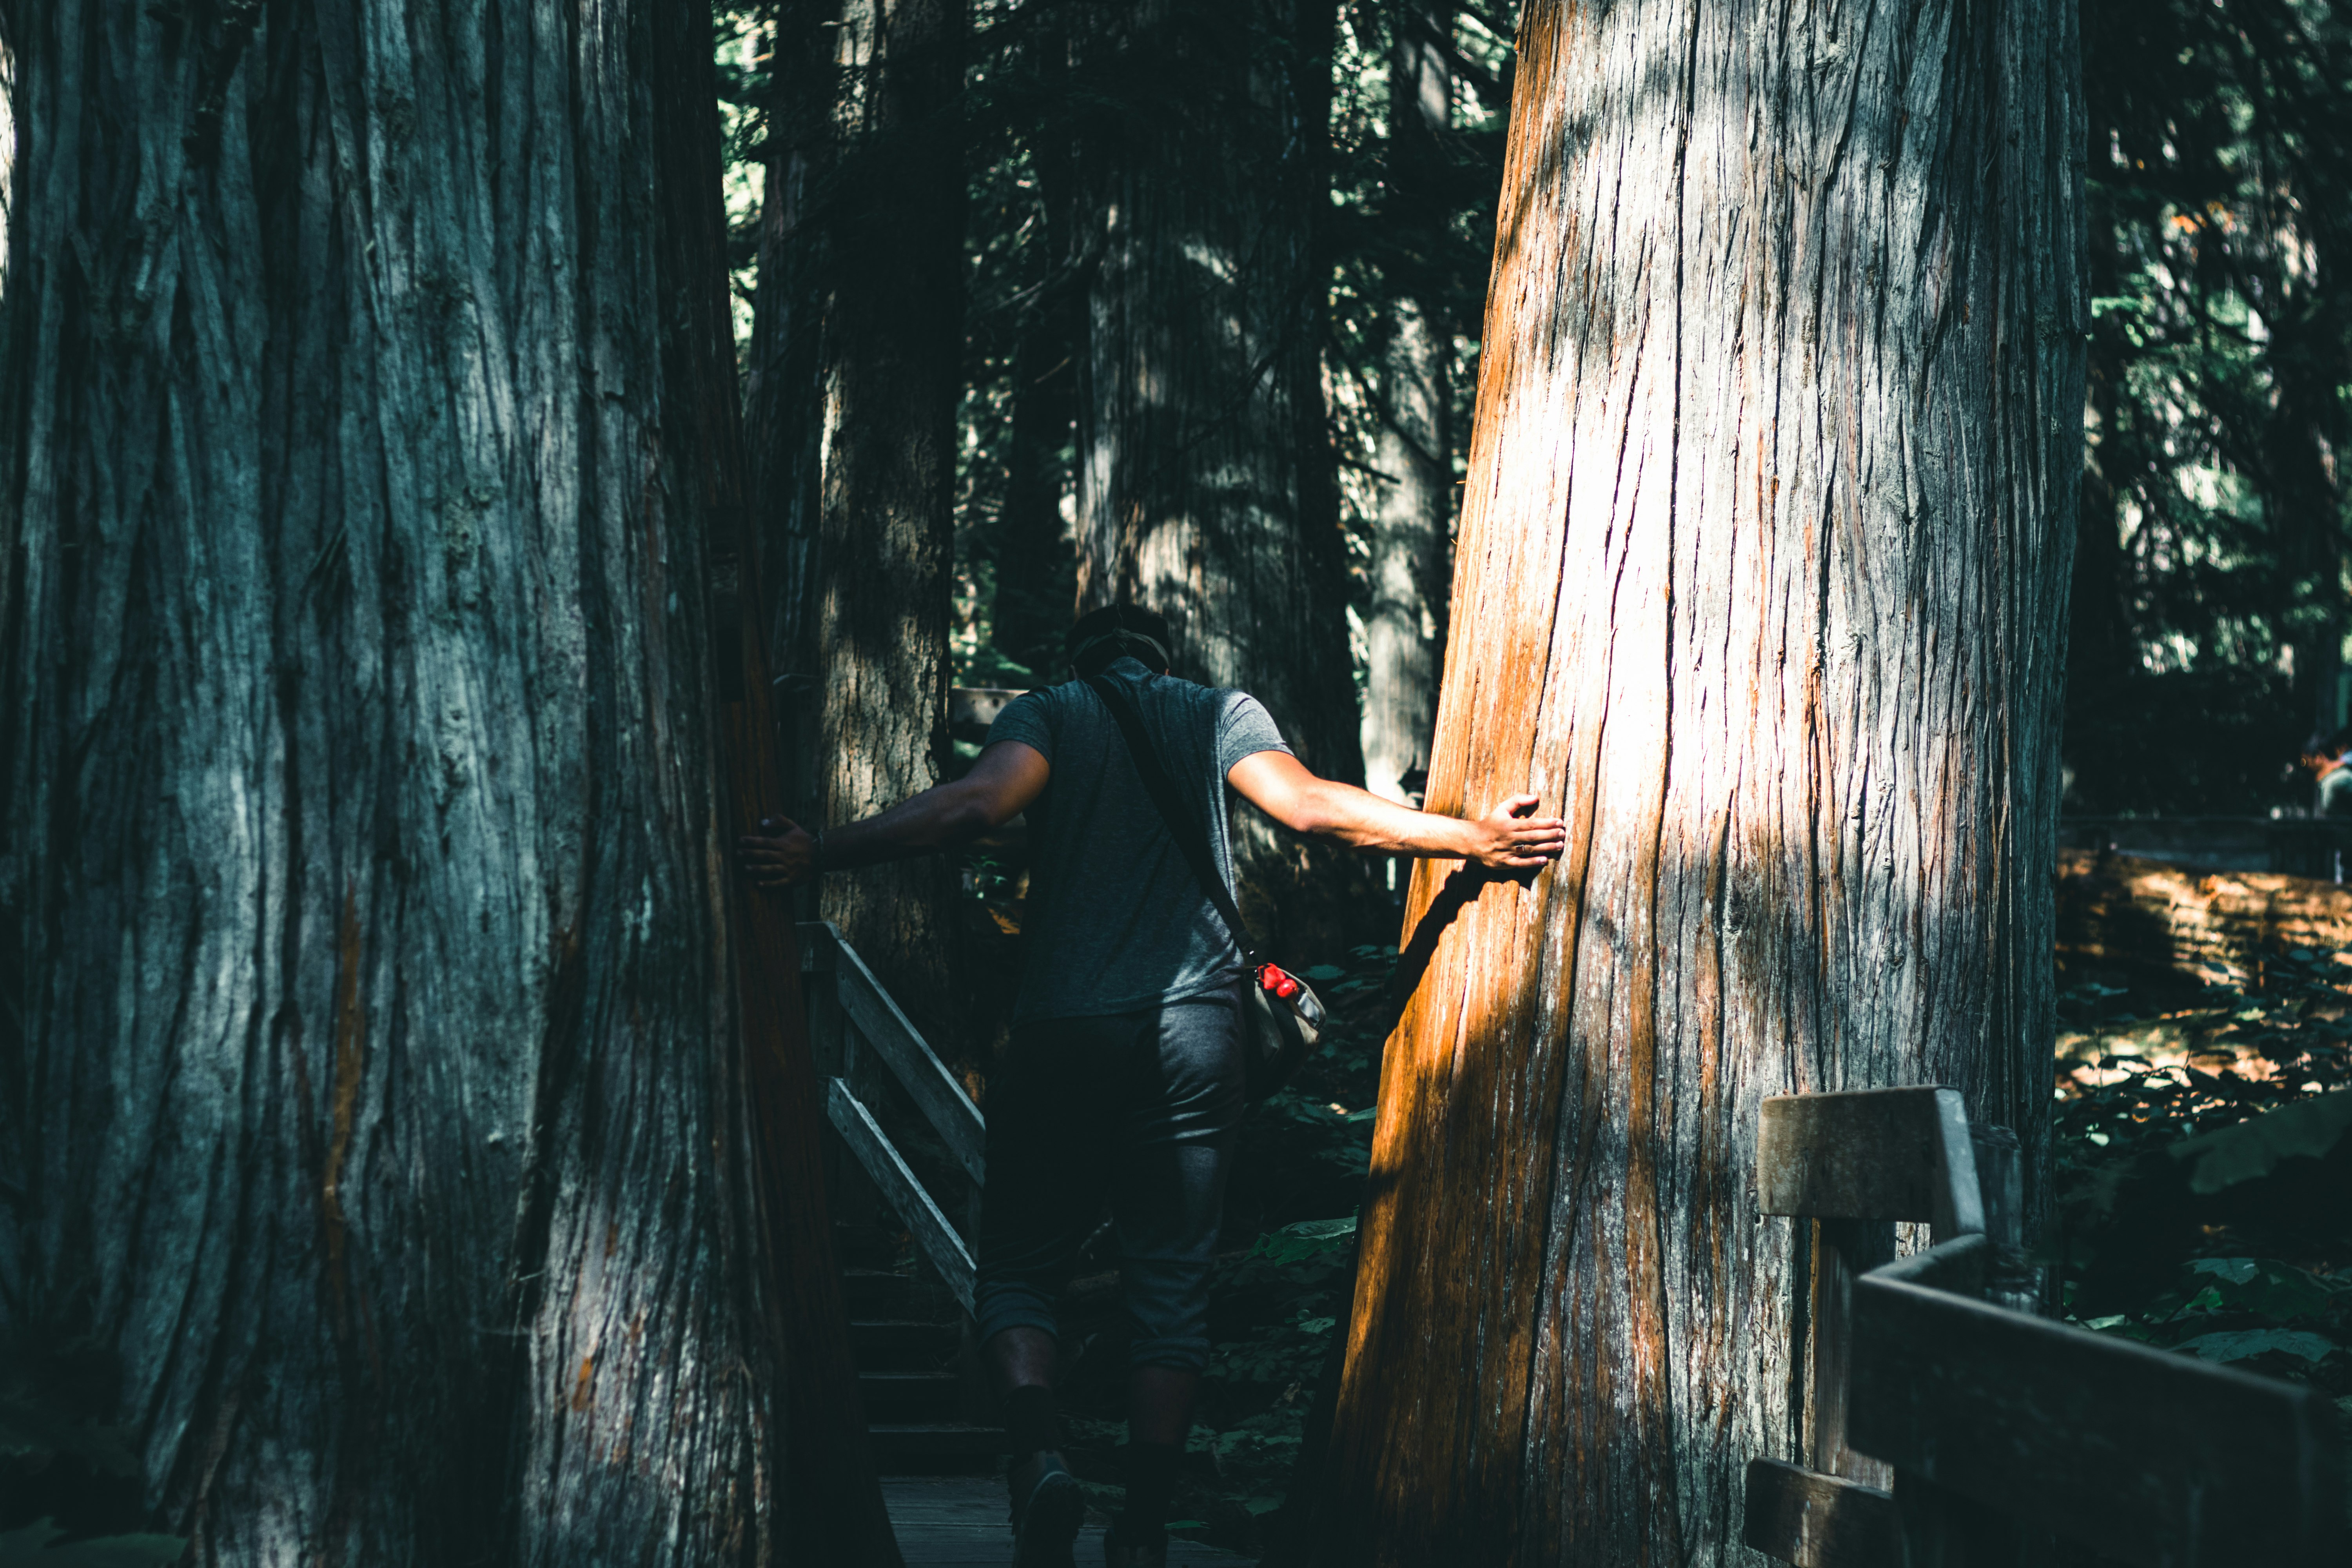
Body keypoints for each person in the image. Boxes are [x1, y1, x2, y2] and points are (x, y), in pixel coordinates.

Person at [738, 603, 1565, 1568]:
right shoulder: (1216, 712)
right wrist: (1469, 836)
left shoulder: (1052, 712)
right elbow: (1309, 809)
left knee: (1018, 1266)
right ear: (1162, 658)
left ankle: (1041, 1456)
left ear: (1078, 660)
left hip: (1066, 1029)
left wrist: (817, 852)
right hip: (1195, 1033)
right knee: (1171, 1277)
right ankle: (1143, 1525)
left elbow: (977, 808)